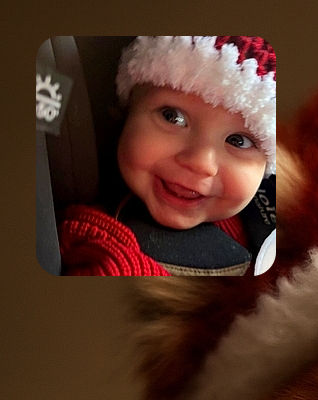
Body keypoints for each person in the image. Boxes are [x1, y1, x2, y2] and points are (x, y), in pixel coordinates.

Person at [58, 36, 276, 277]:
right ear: (127, 111)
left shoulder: (270, 215)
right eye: (173, 117)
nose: (200, 162)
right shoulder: (108, 252)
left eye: (239, 141)